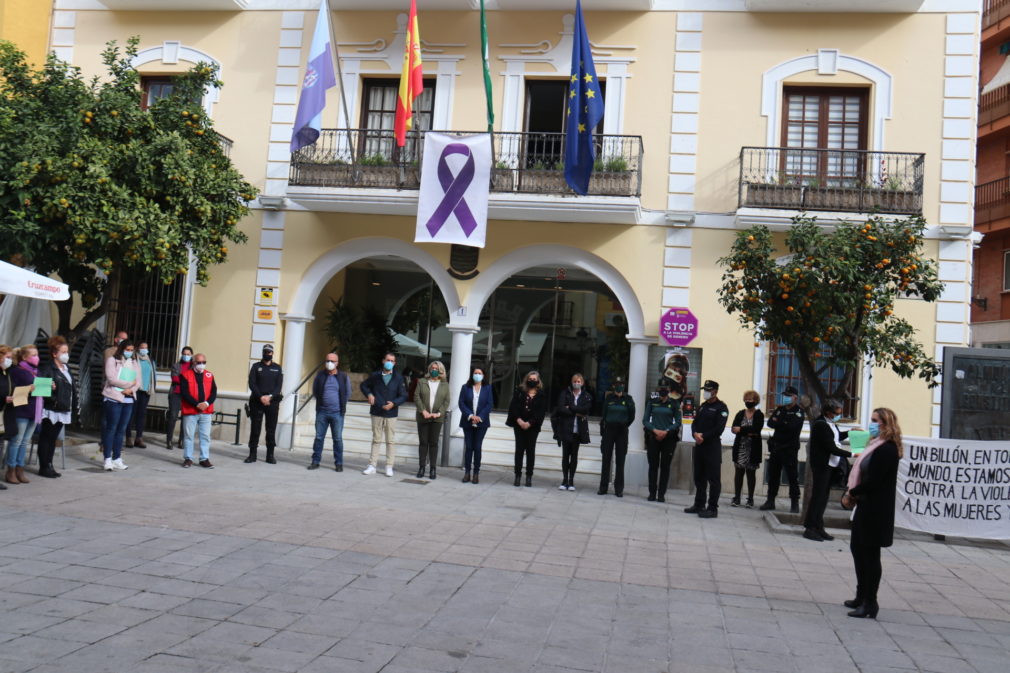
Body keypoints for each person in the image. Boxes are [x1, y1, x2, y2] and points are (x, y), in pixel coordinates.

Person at [842, 408, 901, 619]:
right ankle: (861, 595)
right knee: (857, 549)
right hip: (865, 506)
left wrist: (852, 493)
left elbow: (874, 481)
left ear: (886, 424)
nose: (871, 424)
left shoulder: (887, 450)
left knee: (870, 554)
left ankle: (870, 602)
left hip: (876, 510)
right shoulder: (874, 445)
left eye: (875, 421)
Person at [804, 399, 852, 542]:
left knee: (823, 497)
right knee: (818, 497)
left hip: (831, 465)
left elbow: (837, 437)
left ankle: (819, 526)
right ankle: (810, 527)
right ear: (828, 412)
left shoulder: (830, 423)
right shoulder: (820, 425)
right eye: (836, 413)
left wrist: (850, 432)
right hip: (822, 466)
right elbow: (830, 447)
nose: (839, 415)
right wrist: (851, 455)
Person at [685, 380, 728, 518]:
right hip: (700, 446)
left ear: (715, 391)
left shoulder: (721, 408)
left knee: (713, 480)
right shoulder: (702, 406)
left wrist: (703, 436)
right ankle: (699, 504)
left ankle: (712, 508)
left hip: (712, 447)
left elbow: (719, 429)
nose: (706, 393)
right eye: (705, 390)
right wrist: (695, 434)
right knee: (699, 477)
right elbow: (694, 423)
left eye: (708, 390)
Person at [360, 352, 408, 477]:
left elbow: (404, 395)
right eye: (388, 360)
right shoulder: (375, 376)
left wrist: (394, 403)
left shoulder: (398, 378)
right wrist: (369, 395)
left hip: (391, 413)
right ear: (383, 361)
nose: (390, 362)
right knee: (376, 439)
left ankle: (389, 466)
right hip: (376, 411)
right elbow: (364, 385)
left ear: (395, 363)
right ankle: (372, 465)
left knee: (390, 441)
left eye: (392, 361)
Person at [760, 385, 805, 513]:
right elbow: (770, 423)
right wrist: (783, 422)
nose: (785, 398)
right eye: (784, 395)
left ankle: (794, 503)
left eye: (788, 396)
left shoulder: (799, 411)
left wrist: (779, 422)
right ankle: (770, 501)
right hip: (776, 448)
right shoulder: (780, 409)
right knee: (773, 475)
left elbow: (792, 428)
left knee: (792, 477)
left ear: (795, 398)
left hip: (789, 449)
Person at [37, 336, 74, 478]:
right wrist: (51, 390)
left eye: (67, 352)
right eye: (63, 352)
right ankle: (44, 466)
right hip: (51, 408)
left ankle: (50, 465)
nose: (66, 355)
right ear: (54, 354)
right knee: (46, 437)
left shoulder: (66, 368)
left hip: (63, 408)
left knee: (53, 439)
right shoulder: (48, 368)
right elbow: (40, 389)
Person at [101, 339, 140, 472]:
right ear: (122, 349)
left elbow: (138, 381)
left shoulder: (135, 363)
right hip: (114, 398)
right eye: (127, 350)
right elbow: (111, 379)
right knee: (111, 428)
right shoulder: (113, 360)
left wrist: (131, 390)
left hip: (128, 399)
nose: (129, 352)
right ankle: (107, 458)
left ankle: (117, 458)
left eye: (131, 350)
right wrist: (129, 385)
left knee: (121, 430)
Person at [309, 352, 351, 472]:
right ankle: (315, 461)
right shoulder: (320, 375)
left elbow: (347, 393)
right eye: (328, 360)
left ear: (337, 363)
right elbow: (315, 391)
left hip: (337, 413)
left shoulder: (343, 376)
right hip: (322, 412)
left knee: (337, 439)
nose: (329, 363)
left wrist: (340, 404)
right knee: (318, 437)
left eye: (332, 361)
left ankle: (339, 463)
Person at [506, 370, 548, 487]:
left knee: (530, 451)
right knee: (519, 451)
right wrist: (519, 420)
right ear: (526, 379)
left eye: (534, 379)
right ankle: (517, 475)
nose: (532, 381)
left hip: (532, 427)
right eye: (530, 379)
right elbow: (513, 407)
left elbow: (541, 412)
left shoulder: (541, 395)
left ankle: (529, 476)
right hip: (519, 425)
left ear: (538, 381)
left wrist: (529, 423)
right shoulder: (519, 392)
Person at [245, 344, 283, 464]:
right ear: (262, 353)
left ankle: (270, 455)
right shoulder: (256, 366)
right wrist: (261, 396)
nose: (267, 354)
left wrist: (270, 397)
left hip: (272, 402)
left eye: (269, 352)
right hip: (257, 401)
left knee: (270, 429)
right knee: (255, 429)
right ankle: (252, 454)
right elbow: (252, 383)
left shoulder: (277, 368)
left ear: (272, 353)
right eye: (265, 352)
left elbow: (279, 386)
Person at [643, 379, 680, 502]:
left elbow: (678, 421)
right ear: (658, 389)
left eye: (665, 388)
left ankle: (661, 494)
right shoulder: (652, 402)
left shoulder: (674, 403)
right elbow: (645, 420)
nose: (663, 390)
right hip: (653, 437)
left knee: (665, 467)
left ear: (669, 390)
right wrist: (654, 430)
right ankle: (652, 493)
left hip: (668, 438)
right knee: (653, 466)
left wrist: (667, 431)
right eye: (661, 388)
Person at [598, 377, 636, 497]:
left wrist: (624, 424)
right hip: (609, 430)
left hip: (622, 431)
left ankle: (618, 489)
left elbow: (632, 416)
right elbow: (604, 414)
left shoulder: (628, 399)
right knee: (606, 459)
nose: (619, 386)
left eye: (621, 384)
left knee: (620, 460)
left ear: (624, 386)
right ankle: (603, 487)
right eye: (617, 384)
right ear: (614, 386)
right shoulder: (609, 398)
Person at [555, 373, 592, 491]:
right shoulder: (565, 393)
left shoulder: (586, 395)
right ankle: (564, 479)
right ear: (572, 382)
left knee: (574, 456)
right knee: (565, 455)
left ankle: (571, 480)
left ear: (582, 383)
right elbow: (560, 409)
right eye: (575, 381)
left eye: (579, 381)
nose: (577, 383)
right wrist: (577, 412)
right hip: (566, 429)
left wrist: (570, 407)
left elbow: (586, 410)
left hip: (578, 431)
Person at [414, 360, 449, 479]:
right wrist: (423, 411)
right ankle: (422, 467)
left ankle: (433, 468)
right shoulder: (422, 381)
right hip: (423, 417)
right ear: (429, 369)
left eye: (436, 369)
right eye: (432, 368)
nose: (434, 370)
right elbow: (416, 396)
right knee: (423, 443)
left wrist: (438, 413)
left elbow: (447, 401)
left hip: (437, 418)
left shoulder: (445, 384)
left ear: (441, 371)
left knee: (433, 443)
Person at [180, 353, 216, 468]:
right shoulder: (185, 375)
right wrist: (196, 404)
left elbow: (214, 392)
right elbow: (184, 393)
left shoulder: (210, 375)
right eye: (199, 362)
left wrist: (206, 403)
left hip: (206, 411)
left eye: (204, 362)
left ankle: (204, 459)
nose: (202, 365)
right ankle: (188, 458)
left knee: (205, 436)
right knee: (188, 436)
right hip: (191, 411)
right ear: (193, 362)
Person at [730, 390, 764, 508]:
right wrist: (748, 431)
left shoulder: (759, 414)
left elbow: (756, 429)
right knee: (738, 473)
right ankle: (737, 497)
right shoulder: (740, 413)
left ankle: (750, 499)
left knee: (751, 474)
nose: (748, 402)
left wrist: (742, 430)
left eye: (750, 400)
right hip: (740, 447)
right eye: (746, 400)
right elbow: (733, 429)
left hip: (753, 448)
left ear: (755, 401)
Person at [458, 365, 492, 484]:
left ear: (483, 375)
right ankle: (467, 472)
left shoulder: (487, 388)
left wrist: (479, 417)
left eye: (479, 373)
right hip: (467, 421)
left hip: (482, 423)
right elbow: (461, 403)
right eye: (475, 373)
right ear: (472, 375)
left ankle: (476, 473)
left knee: (477, 447)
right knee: (469, 447)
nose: (477, 375)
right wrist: (470, 416)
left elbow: (489, 404)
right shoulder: (465, 387)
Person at [126, 341, 156, 449]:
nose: (144, 350)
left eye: (146, 348)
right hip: (135, 390)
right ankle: (128, 437)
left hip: (145, 391)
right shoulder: (133, 359)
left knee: (141, 414)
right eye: (142, 347)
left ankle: (139, 437)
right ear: (138, 349)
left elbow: (153, 375)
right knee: (131, 413)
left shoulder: (150, 360)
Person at [166, 347, 194, 449]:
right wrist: (187, 380)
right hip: (175, 394)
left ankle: (181, 440)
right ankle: (169, 440)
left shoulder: (194, 367)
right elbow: (175, 378)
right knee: (173, 416)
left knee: (185, 418)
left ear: (191, 355)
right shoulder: (176, 365)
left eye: (188, 354)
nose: (186, 356)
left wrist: (183, 379)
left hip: (188, 396)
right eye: (184, 353)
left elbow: (193, 380)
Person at [0, 346, 14, 490]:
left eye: (11, 357)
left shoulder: (6, 372)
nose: (10, 360)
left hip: (3, 414)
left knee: (0, 445)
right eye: (7, 357)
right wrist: (4, 399)